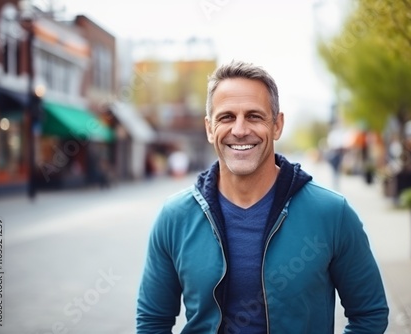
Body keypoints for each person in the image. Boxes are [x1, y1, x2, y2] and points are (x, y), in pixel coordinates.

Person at [136, 60, 389, 333]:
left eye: (254, 116)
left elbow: (369, 314)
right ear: (210, 129)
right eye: (227, 117)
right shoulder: (175, 217)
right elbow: (152, 321)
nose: (240, 129)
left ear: (277, 125)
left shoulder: (332, 213)